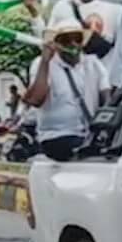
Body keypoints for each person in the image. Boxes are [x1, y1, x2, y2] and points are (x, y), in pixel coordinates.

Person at [24, 17, 107, 161]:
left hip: (88, 135)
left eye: (77, 39)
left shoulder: (93, 64)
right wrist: (45, 61)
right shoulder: (42, 63)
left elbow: (107, 98)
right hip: (56, 137)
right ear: (57, 44)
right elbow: (36, 100)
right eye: (66, 40)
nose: (72, 44)